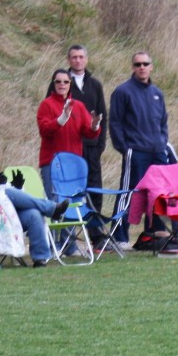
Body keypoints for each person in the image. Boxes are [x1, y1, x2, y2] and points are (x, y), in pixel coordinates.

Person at [0, 149, 69, 267]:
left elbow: (6, 201)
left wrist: (17, 188)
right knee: (7, 192)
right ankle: (52, 209)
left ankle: (40, 259)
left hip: (7, 217)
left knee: (34, 214)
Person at [109, 52, 171, 246]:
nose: (142, 67)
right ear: (133, 67)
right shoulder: (123, 92)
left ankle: (154, 233)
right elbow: (115, 123)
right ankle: (119, 236)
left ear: (151, 67)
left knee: (159, 194)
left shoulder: (157, 93)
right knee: (129, 192)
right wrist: (125, 148)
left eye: (145, 64)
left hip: (157, 152)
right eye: (138, 64)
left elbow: (163, 122)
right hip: (136, 151)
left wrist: (162, 142)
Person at [46, 44, 108, 235]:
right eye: (74, 57)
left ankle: (95, 235)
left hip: (91, 146)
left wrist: (99, 145)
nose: (78, 60)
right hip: (69, 148)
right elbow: (51, 111)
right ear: (69, 59)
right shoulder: (61, 81)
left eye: (81, 57)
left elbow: (102, 116)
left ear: (86, 59)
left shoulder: (95, 85)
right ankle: (67, 236)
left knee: (94, 189)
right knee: (69, 192)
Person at [37, 68, 102, 199]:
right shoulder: (46, 105)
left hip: (73, 163)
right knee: (55, 203)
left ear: (70, 84)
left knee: (74, 202)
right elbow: (44, 131)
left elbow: (88, 133)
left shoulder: (78, 106)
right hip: (52, 163)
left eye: (66, 82)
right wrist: (62, 119)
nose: (62, 84)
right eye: (58, 81)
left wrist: (95, 127)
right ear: (53, 84)